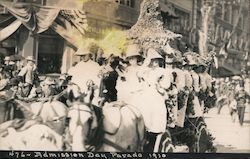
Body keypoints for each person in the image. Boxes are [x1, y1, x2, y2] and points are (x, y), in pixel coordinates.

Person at [131, 48, 168, 152]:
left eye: (156, 61)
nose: (154, 63)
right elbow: (138, 74)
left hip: (157, 93)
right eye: (152, 61)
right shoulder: (146, 71)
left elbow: (166, 85)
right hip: (146, 93)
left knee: (156, 109)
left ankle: (154, 131)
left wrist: (158, 86)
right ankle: (143, 129)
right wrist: (145, 65)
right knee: (139, 105)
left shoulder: (163, 71)